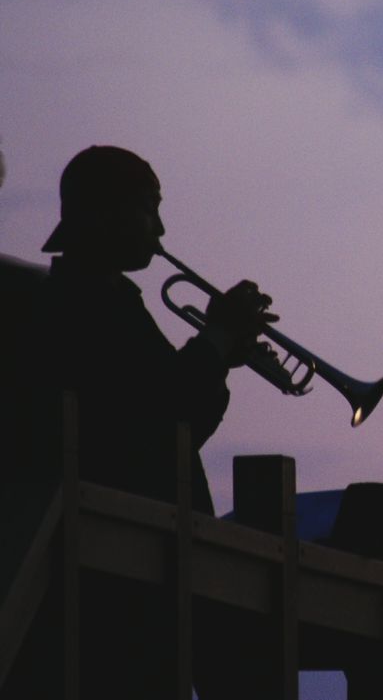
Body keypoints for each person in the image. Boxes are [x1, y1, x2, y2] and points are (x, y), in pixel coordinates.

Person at [1, 145, 274, 698]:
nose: (161, 227)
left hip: (136, 565)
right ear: (105, 214)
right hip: (122, 581)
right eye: (149, 209)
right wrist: (216, 341)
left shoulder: (108, 298)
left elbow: (175, 412)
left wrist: (219, 353)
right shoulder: (80, 303)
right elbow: (167, 418)